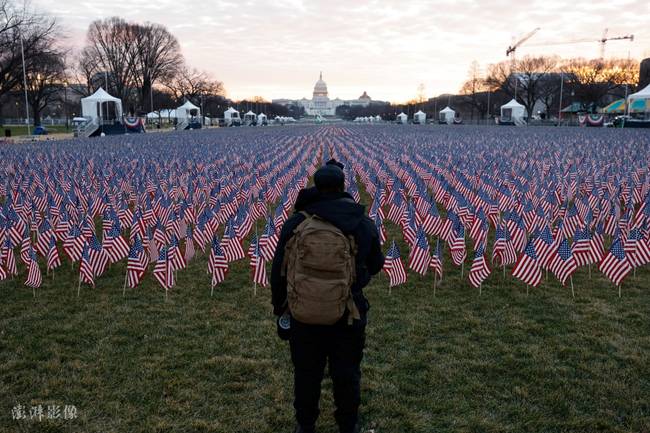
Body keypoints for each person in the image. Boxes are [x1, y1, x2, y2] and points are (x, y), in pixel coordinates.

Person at [271, 159, 384, 433]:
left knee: (306, 373)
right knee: (346, 373)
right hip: (348, 313)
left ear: (316, 187)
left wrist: (280, 310)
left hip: (303, 312)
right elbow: (377, 263)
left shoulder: (297, 221)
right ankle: (347, 424)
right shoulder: (360, 222)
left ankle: (306, 424)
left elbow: (279, 270)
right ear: (344, 186)